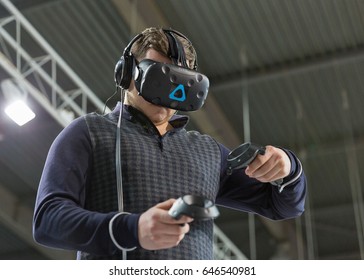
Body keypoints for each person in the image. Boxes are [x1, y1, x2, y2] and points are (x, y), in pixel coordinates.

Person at [32, 27, 306, 260]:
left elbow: (281, 206)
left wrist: (288, 169)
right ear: (126, 74)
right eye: (158, 79)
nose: (169, 95)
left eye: (180, 83)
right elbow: (48, 220)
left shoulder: (208, 152)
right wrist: (132, 229)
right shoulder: (87, 133)